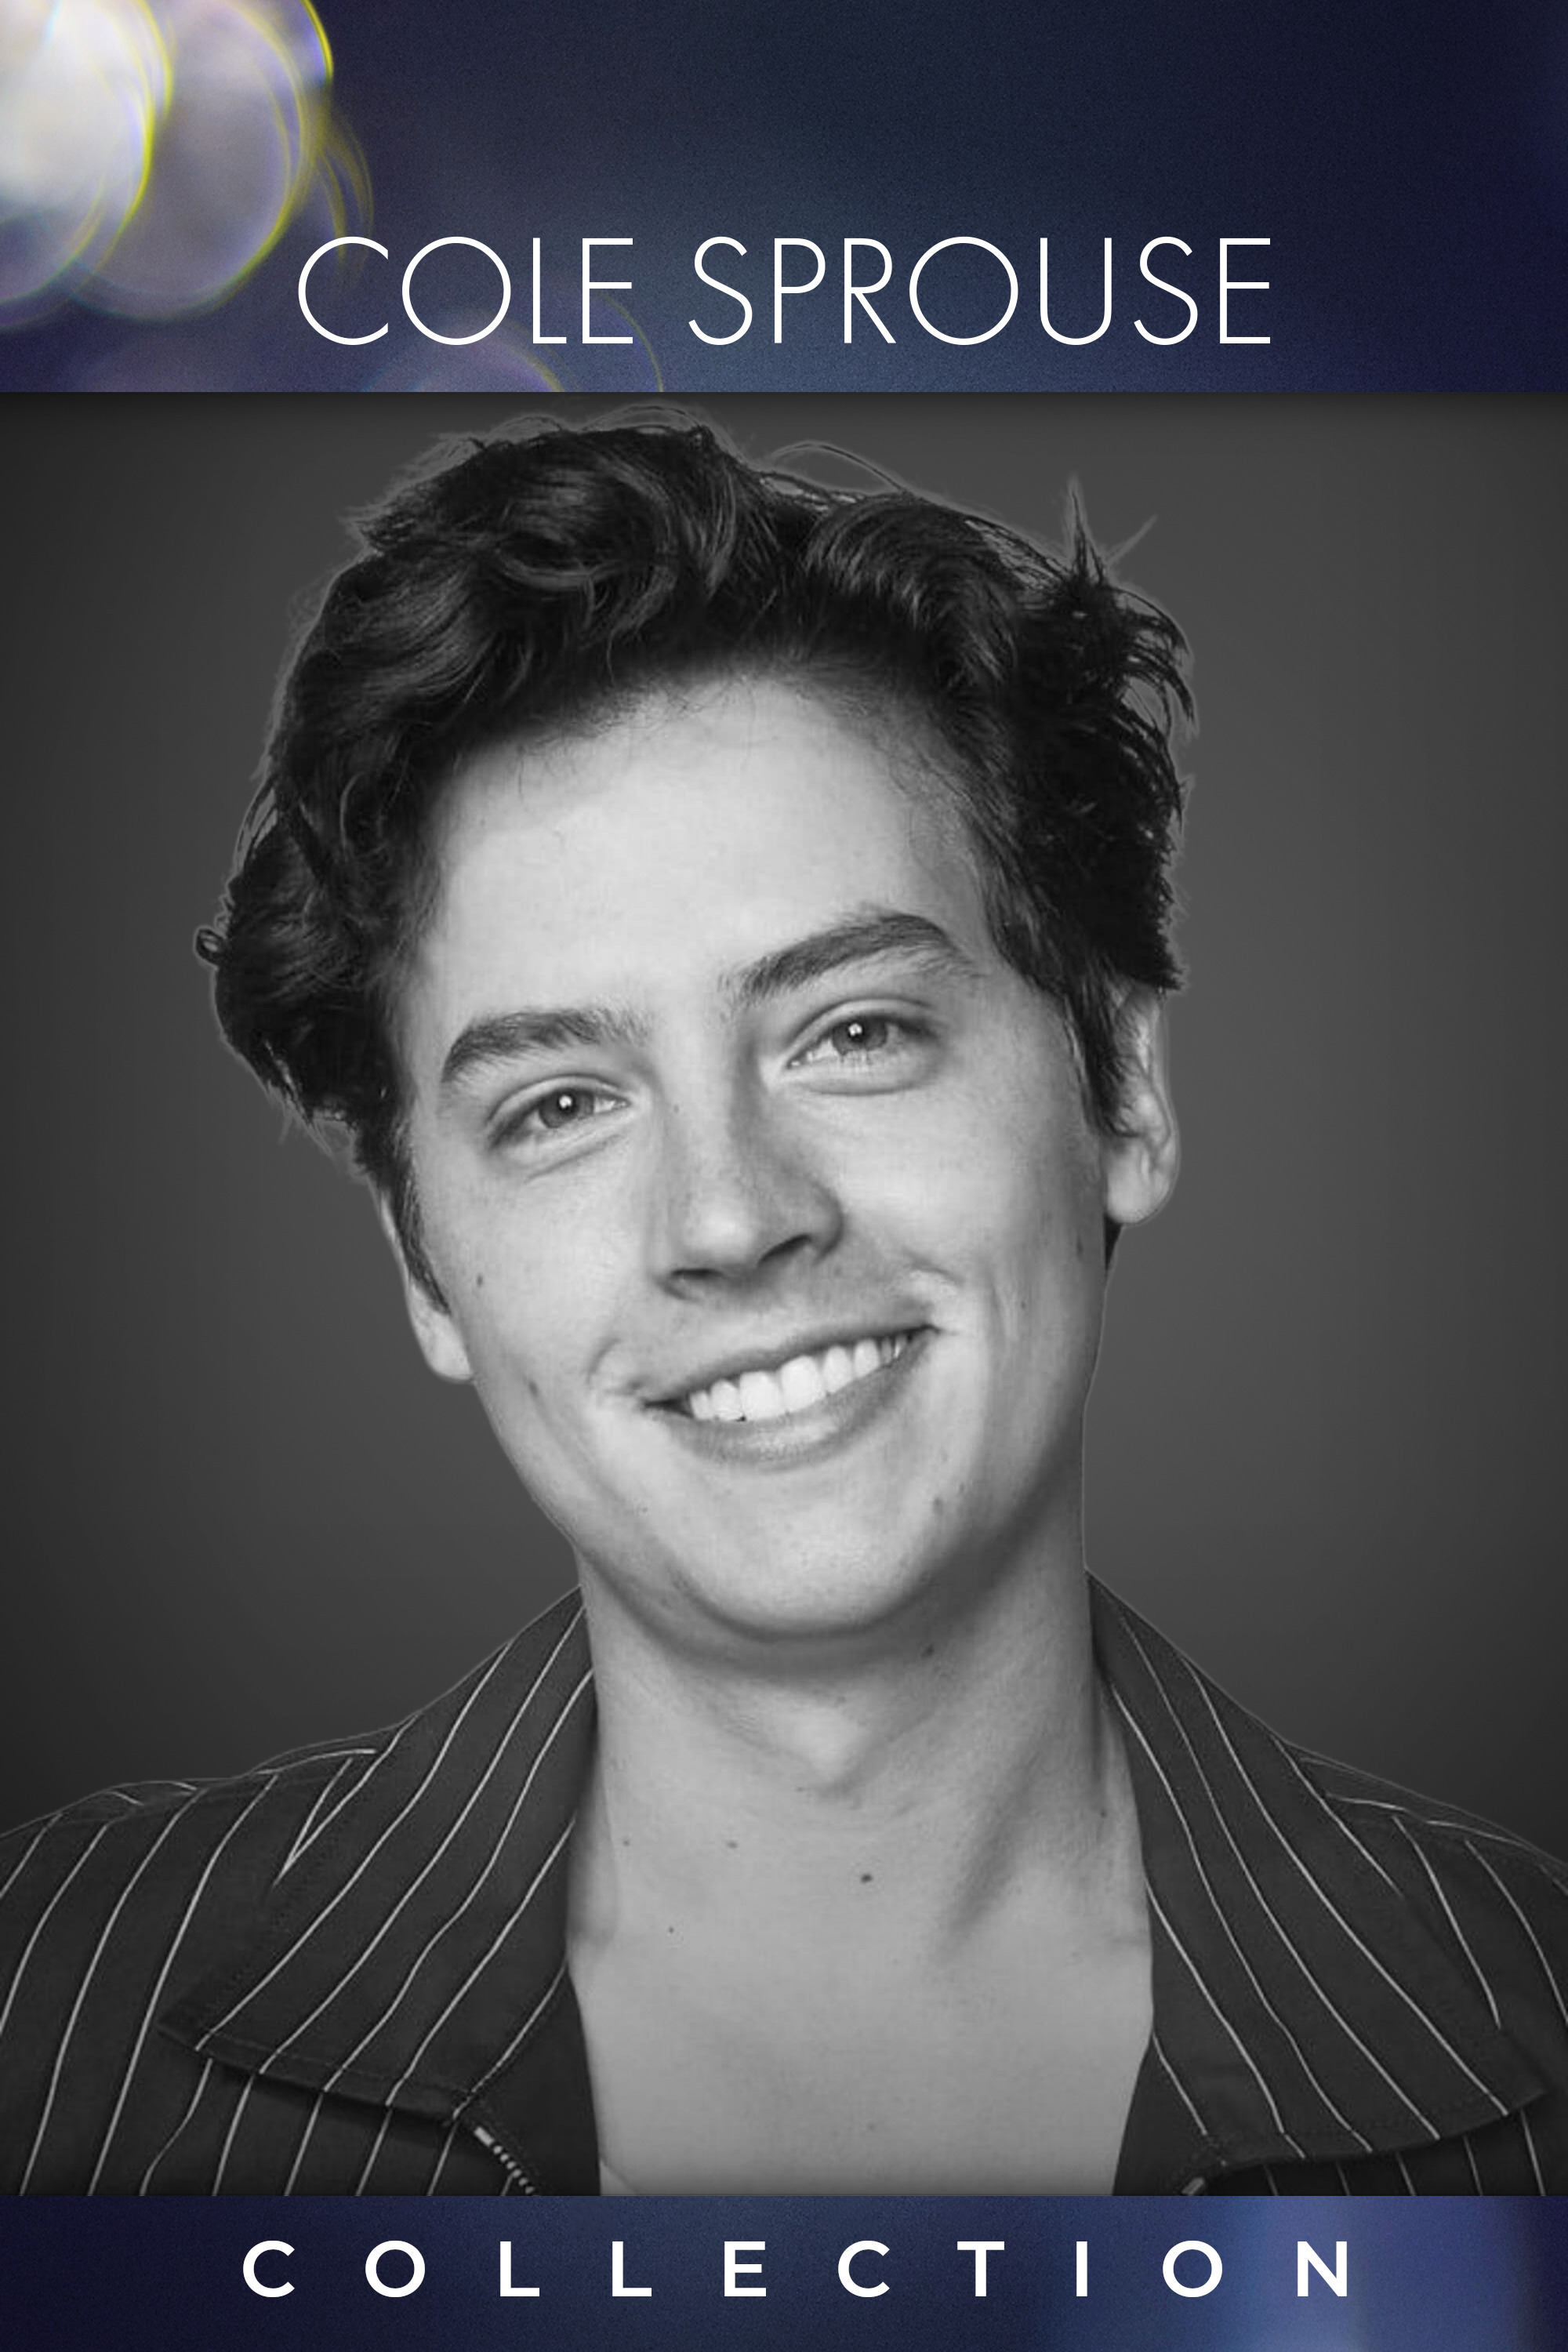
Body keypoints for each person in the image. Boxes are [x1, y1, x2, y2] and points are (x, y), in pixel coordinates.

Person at [2, 412, 1564, 2197]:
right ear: (423, 1263)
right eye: (559, 1106)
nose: (732, 1218)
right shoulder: (43, 2014)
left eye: (855, 1031)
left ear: (1121, 1092)